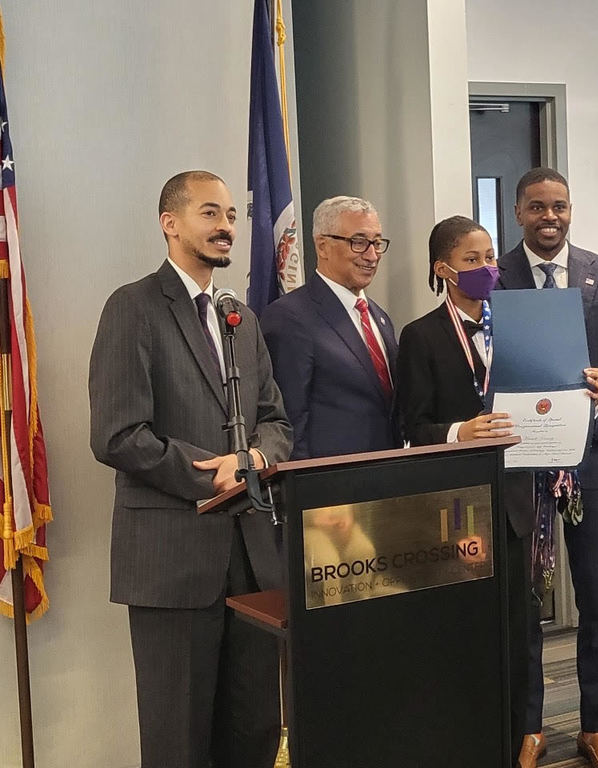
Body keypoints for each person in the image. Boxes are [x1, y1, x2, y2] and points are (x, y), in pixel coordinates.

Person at [89, 170, 292, 768]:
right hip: (172, 557)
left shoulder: (242, 319)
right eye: (209, 213)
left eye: (230, 215)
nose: (226, 226)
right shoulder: (133, 308)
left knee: (255, 726)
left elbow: (275, 420)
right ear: (169, 223)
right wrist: (216, 475)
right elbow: (118, 434)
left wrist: (254, 460)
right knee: (179, 736)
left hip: (253, 556)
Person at [397, 215, 598, 767]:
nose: (487, 268)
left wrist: (588, 393)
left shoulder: (521, 322)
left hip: (519, 498)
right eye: (472, 260)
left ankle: (524, 732)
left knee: (521, 625)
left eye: (490, 257)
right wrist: (457, 433)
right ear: (443, 270)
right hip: (455, 504)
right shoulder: (420, 336)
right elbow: (409, 427)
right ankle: (467, 733)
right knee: (463, 627)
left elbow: (554, 392)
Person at [498, 168, 598, 768]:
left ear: (571, 209)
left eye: (559, 206)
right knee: (523, 603)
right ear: (518, 213)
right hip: (519, 463)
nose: (550, 217)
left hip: (595, 459)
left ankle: (597, 725)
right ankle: (528, 727)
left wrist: (597, 417)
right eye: (537, 207)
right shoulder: (496, 276)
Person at [261, 195, 400, 459]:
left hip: (387, 479)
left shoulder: (379, 317)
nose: (371, 255)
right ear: (322, 246)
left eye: (377, 243)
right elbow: (288, 423)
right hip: (330, 488)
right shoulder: (289, 317)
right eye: (358, 243)